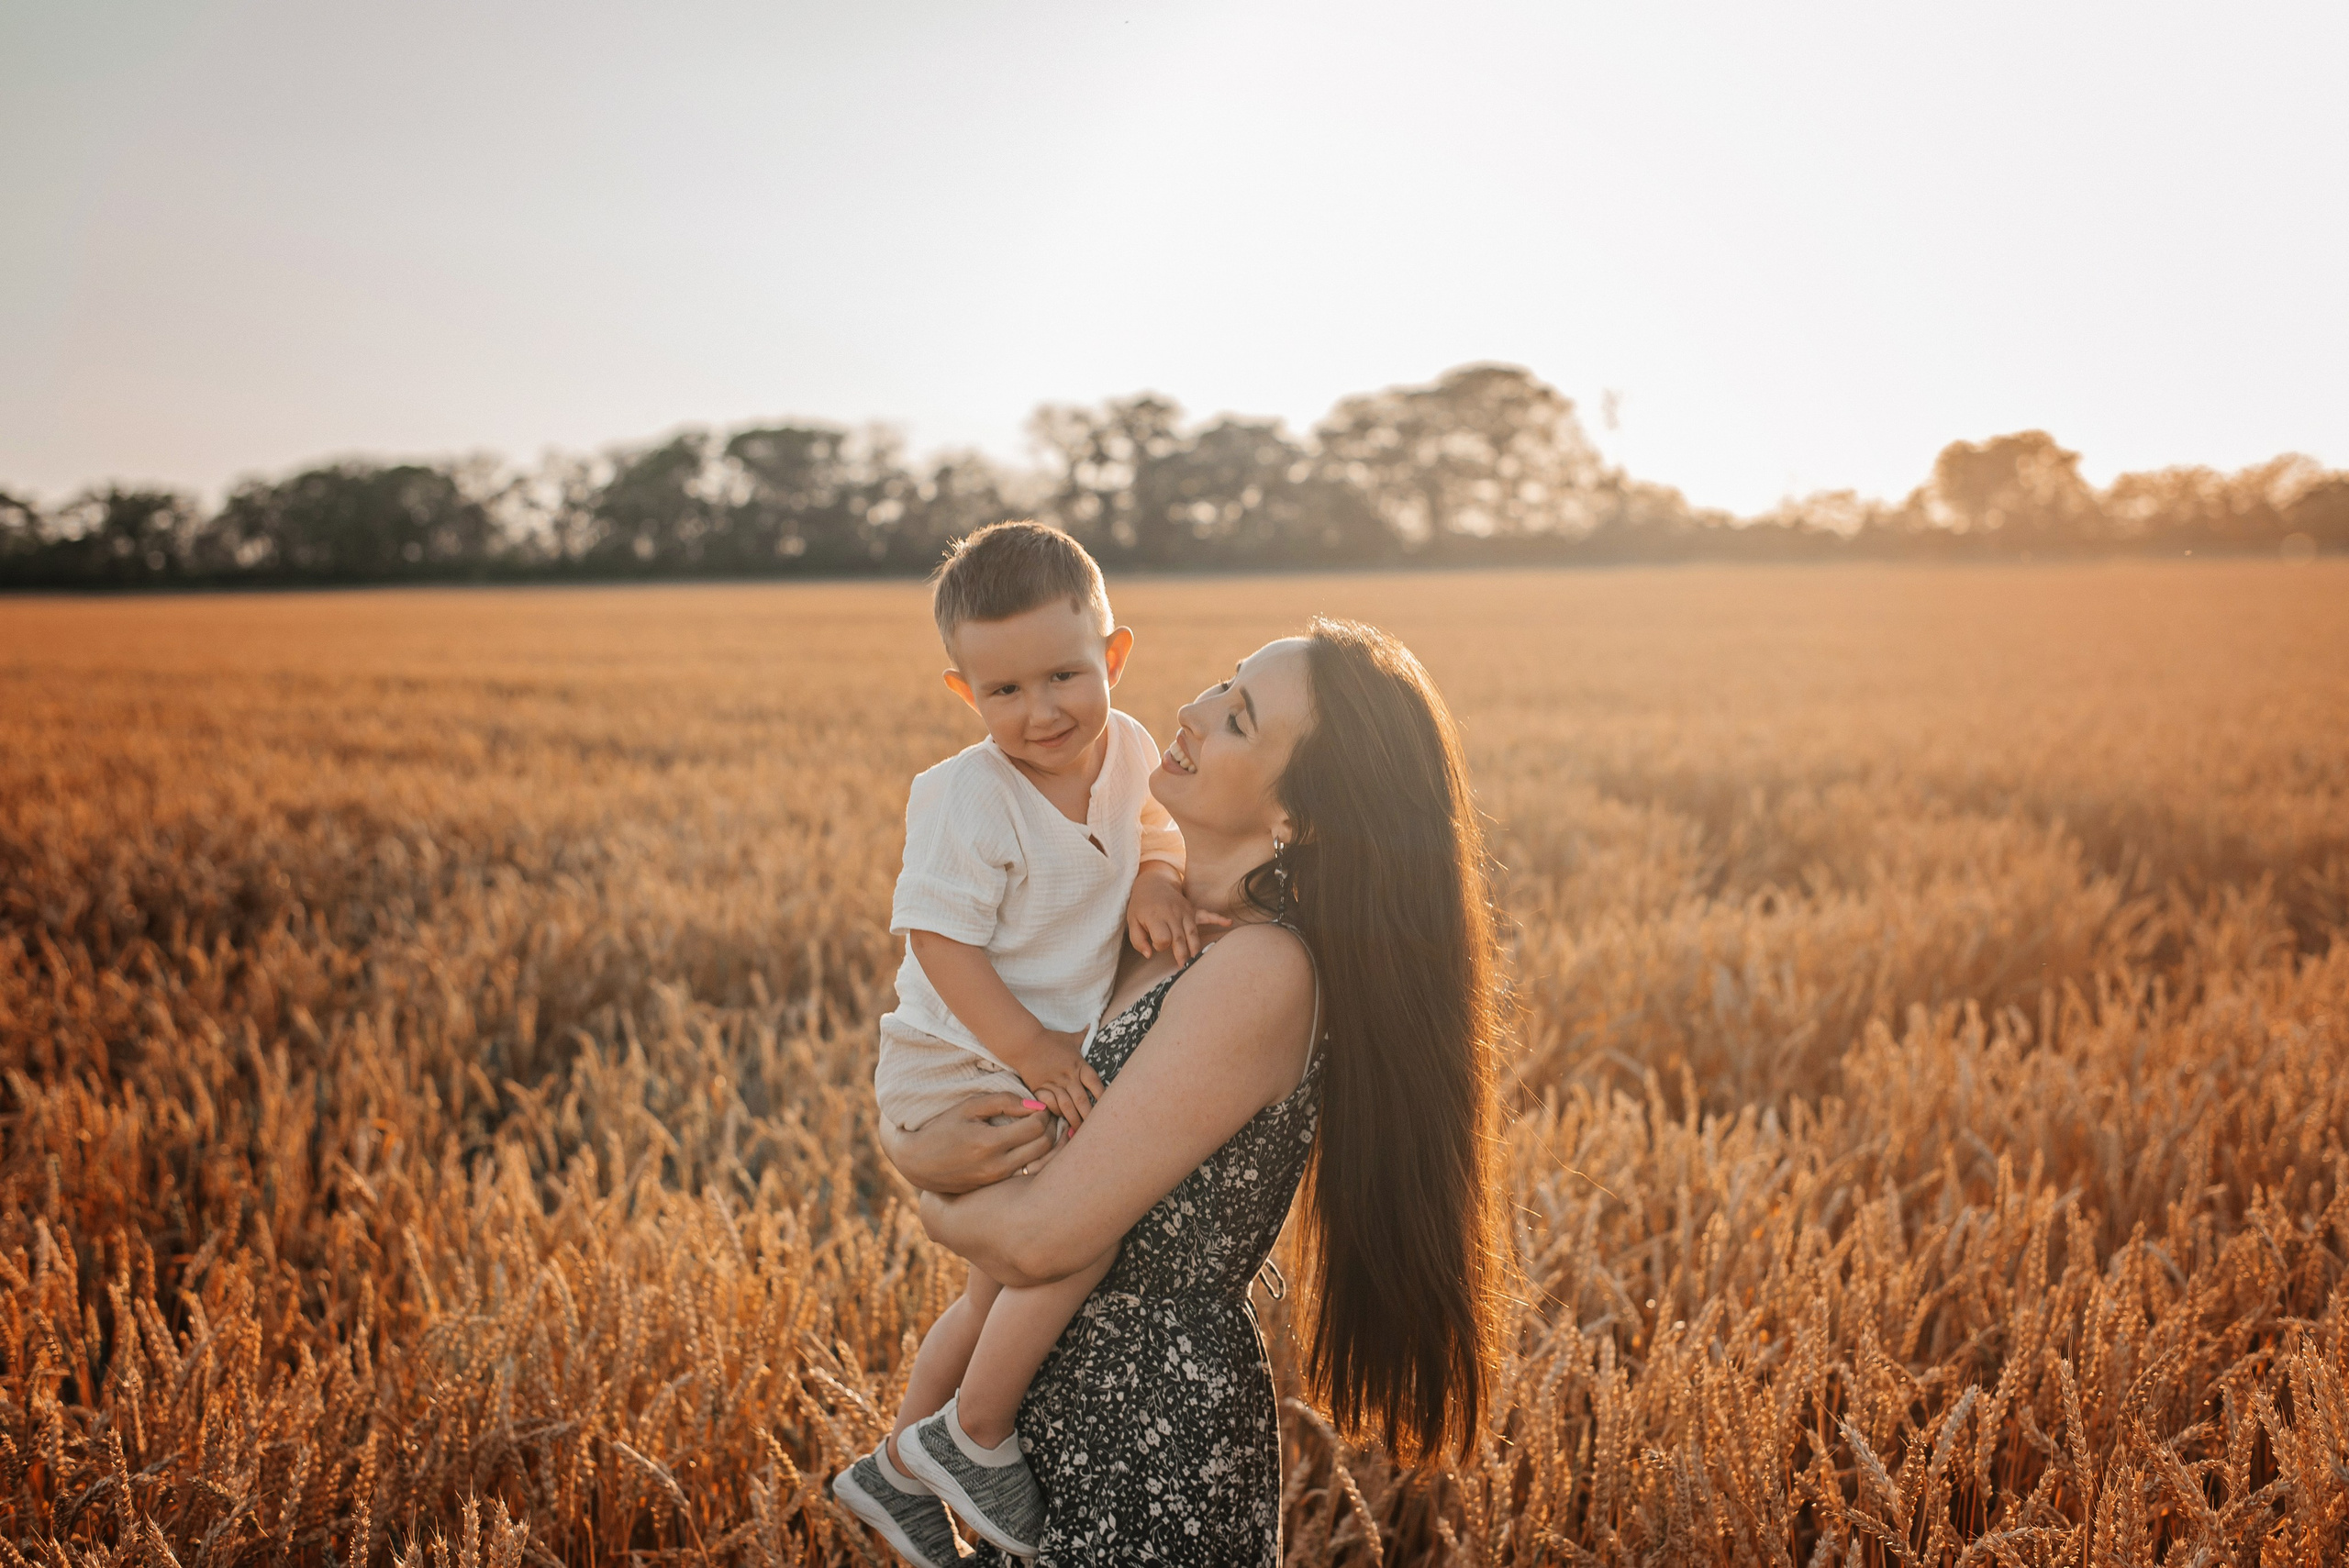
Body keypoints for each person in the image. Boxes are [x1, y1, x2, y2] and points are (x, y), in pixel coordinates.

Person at [880, 619, 1507, 1565]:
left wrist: (926, 1188)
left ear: (1300, 816)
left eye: (1239, 717)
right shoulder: (1144, 921)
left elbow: (1044, 1234)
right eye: (1222, 680)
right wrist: (922, 1140)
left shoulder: (1263, 971)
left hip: (1146, 1431)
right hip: (1035, 1419)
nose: (1192, 709)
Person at [831, 522, 1223, 1563]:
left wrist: (1154, 876)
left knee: (995, 1285)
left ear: (1116, 656)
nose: (1041, 711)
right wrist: (1035, 1048)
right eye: (1004, 691)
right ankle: (976, 1431)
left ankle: (895, 1465)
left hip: (1034, 1053)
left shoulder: (1133, 745)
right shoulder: (966, 794)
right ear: (963, 692)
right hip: (958, 1056)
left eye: (1065, 674)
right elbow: (939, 940)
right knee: (1075, 1233)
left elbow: (1152, 830)